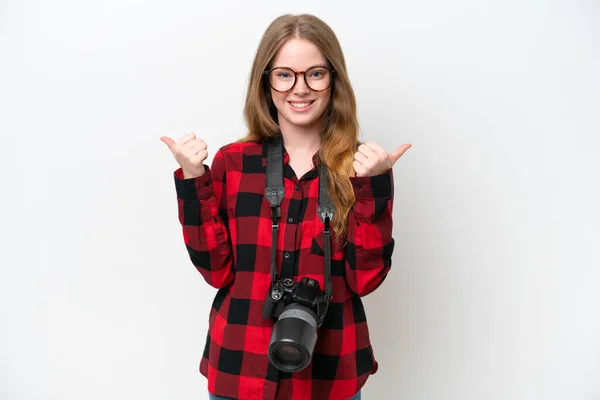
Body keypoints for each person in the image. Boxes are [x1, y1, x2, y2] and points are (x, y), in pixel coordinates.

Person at [161, 13, 411, 400]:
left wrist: (374, 187)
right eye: (284, 74)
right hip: (241, 366)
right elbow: (216, 270)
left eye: (315, 73)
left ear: (333, 80)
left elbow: (366, 279)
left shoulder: (360, 168)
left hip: (329, 376)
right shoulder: (234, 162)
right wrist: (194, 180)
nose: (300, 88)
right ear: (266, 82)